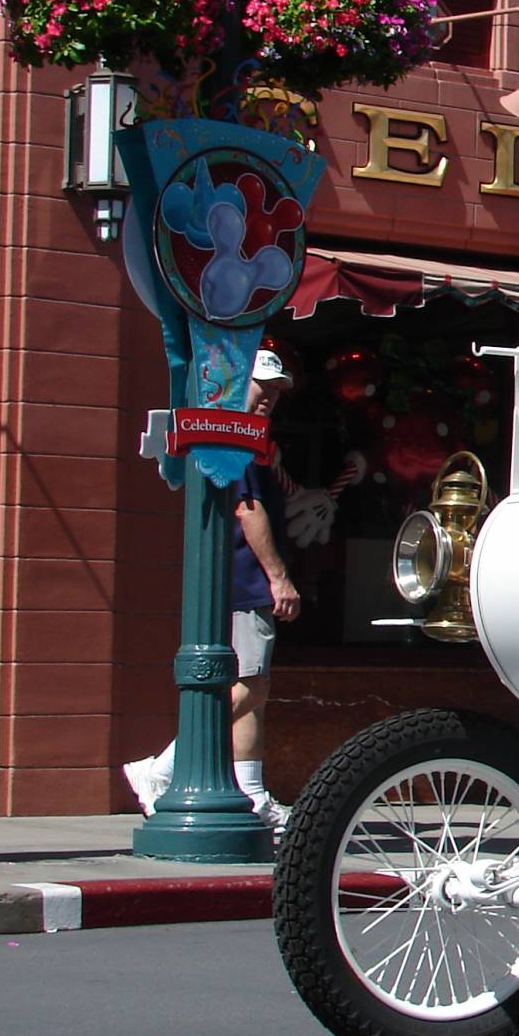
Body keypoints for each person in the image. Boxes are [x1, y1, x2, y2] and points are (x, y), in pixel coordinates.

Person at [123, 350, 303, 828]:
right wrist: (278, 577)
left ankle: (253, 795)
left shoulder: (244, 438)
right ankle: (161, 769)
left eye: (277, 388)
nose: (269, 395)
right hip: (245, 583)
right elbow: (249, 511)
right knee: (249, 685)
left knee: (255, 691)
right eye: (261, 384)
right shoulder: (235, 437)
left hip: (238, 584)